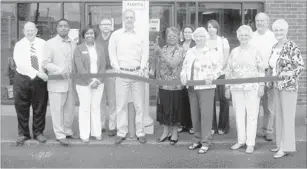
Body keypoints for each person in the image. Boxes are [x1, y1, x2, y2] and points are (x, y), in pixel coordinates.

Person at [109, 9, 148, 144]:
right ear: (123, 19)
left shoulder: (141, 35)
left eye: (131, 17)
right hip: (122, 74)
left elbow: (145, 53)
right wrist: (116, 67)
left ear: (134, 19)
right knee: (121, 106)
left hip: (138, 74)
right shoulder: (116, 35)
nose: (129, 20)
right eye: (127, 17)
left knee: (139, 106)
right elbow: (112, 53)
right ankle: (121, 132)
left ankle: (140, 132)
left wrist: (142, 67)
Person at [180, 27, 222, 154]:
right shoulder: (190, 51)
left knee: (206, 115)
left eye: (201, 36)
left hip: (206, 88)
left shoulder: (211, 51)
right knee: (195, 115)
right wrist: (183, 75)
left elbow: (219, 67)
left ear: (206, 37)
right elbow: (185, 66)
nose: (199, 38)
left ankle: (206, 142)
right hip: (192, 87)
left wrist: (212, 76)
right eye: (197, 36)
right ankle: (196, 140)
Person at [225, 25, 265, 154]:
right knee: (239, 115)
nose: (243, 37)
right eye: (241, 35)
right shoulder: (234, 51)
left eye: (246, 35)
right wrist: (227, 87)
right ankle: (241, 140)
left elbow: (261, 69)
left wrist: (262, 86)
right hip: (236, 88)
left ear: (250, 36)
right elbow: (229, 70)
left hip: (252, 88)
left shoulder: (255, 50)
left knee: (252, 115)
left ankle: (250, 143)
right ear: (238, 36)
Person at [268, 19, 304, 158]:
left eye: (281, 30)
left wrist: (287, 73)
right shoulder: (274, 46)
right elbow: (272, 66)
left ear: (286, 31)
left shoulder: (291, 46)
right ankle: (279, 144)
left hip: (288, 87)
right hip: (276, 85)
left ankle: (286, 146)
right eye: (276, 30)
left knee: (287, 117)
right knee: (278, 115)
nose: (278, 32)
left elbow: (300, 66)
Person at [43, 18, 77, 146]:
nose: (63, 28)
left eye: (66, 26)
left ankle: (67, 131)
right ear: (57, 29)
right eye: (61, 26)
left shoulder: (73, 43)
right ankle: (60, 134)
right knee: (57, 110)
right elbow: (46, 63)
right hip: (57, 83)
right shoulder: (50, 43)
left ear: (69, 28)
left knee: (69, 108)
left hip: (70, 82)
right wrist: (59, 70)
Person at [13, 22, 49, 146]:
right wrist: (38, 73)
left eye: (32, 30)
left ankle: (38, 132)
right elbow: (20, 63)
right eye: (27, 30)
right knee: (21, 107)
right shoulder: (19, 45)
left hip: (39, 80)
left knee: (40, 106)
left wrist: (45, 70)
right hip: (23, 78)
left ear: (36, 30)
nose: (29, 32)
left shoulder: (43, 44)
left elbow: (46, 60)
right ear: (24, 31)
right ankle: (23, 133)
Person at [73, 26, 106, 143]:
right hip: (83, 83)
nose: (89, 36)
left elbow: (103, 66)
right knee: (85, 108)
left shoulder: (100, 48)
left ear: (95, 35)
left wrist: (97, 80)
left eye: (91, 33)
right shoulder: (79, 48)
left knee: (96, 107)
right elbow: (80, 67)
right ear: (83, 35)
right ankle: (84, 134)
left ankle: (97, 133)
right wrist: (90, 81)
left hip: (98, 83)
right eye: (87, 34)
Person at [155, 27, 185, 145]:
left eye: (174, 35)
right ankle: (165, 132)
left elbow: (173, 64)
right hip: (163, 85)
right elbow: (158, 64)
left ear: (178, 37)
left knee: (175, 110)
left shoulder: (180, 50)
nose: (171, 37)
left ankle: (174, 133)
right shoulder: (164, 48)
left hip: (175, 86)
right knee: (165, 109)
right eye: (169, 35)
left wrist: (161, 54)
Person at [249, 12, 277, 141]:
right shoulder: (251, 36)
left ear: (268, 22)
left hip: (269, 72)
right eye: (257, 20)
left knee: (269, 105)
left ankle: (268, 130)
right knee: (253, 104)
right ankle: (252, 131)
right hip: (254, 74)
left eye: (262, 20)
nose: (259, 23)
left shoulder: (273, 37)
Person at [206, 19, 231, 135]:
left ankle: (223, 126)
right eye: (209, 27)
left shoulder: (222, 41)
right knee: (210, 99)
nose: (211, 29)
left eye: (213, 27)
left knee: (223, 99)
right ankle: (212, 126)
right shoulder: (206, 41)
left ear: (217, 28)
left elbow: (226, 57)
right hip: (209, 74)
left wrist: (219, 69)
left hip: (221, 73)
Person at [96, 17, 117, 136]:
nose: (105, 26)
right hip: (98, 73)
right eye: (103, 24)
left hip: (111, 71)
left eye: (108, 24)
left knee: (113, 101)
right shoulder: (95, 39)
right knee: (100, 100)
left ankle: (112, 126)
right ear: (100, 26)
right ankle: (101, 125)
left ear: (111, 26)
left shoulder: (115, 38)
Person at [178, 26, 195, 134]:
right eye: (185, 32)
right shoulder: (180, 45)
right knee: (182, 101)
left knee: (191, 101)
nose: (187, 34)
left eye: (189, 32)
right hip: (181, 75)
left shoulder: (195, 44)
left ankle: (192, 125)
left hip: (192, 75)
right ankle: (183, 124)